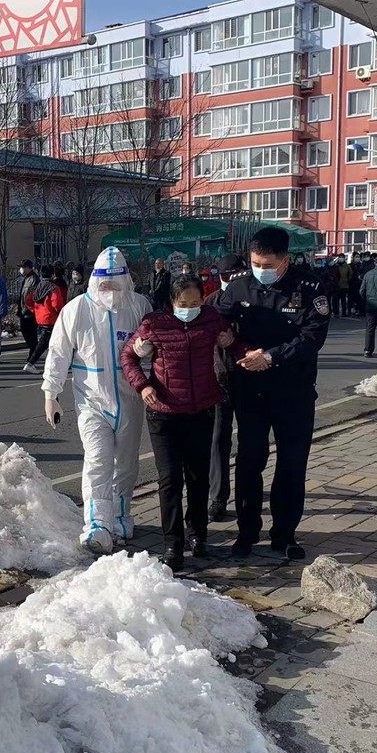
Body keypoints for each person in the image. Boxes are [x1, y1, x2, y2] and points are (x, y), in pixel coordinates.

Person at [217, 227, 330, 559]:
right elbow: (218, 325)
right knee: (250, 462)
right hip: (250, 392)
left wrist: (271, 357)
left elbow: (312, 337)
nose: (260, 269)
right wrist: (240, 347)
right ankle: (246, 533)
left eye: (267, 264)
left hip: (293, 392)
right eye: (255, 262)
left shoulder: (309, 288)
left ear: (285, 259)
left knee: (292, 465)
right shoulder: (239, 286)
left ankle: (285, 534)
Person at [120, 275, 238, 569]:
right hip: (164, 412)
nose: (189, 308)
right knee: (170, 479)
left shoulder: (211, 319)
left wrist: (233, 341)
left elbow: (233, 344)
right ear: (172, 302)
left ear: (203, 299)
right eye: (183, 304)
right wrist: (143, 386)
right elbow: (128, 357)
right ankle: (173, 544)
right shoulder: (154, 324)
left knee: (198, 477)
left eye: (195, 302)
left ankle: (198, 536)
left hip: (201, 410)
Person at [42, 246, 151, 554]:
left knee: (126, 464)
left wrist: (149, 350)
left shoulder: (138, 305)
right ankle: (96, 524)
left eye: (116, 285)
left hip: (130, 398)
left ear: (126, 282)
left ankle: (119, 516)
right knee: (98, 460)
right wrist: (52, 392)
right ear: (94, 281)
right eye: (105, 285)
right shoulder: (77, 309)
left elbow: (158, 341)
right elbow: (59, 351)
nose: (110, 292)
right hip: (91, 400)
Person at [204, 253, 247, 523]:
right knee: (218, 439)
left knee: (250, 438)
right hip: (218, 379)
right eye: (229, 276)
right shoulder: (210, 304)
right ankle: (218, 496)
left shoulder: (253, 300)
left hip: (248, 378)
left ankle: (246, 491)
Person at [23, 264, 67, 373]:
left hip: (40, 318)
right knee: (45, 343)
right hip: (51, 319)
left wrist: (36, 310)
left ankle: (56, 363)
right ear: (52, 274)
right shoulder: (53, 288)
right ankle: (31, 363)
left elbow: (28, 300)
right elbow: (57, 304)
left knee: (50, 343)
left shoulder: (38, 287)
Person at [14, 259, 39, 364]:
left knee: (31, 335)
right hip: (23, 311)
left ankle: (33, 354)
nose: (21, 269)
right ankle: (33, 351)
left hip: (31, 312)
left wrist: (31, 308)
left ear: (29, 268)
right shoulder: (24, 279)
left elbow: (34, 295)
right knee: (25, 333)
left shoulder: (34, 279)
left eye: (23, 267)